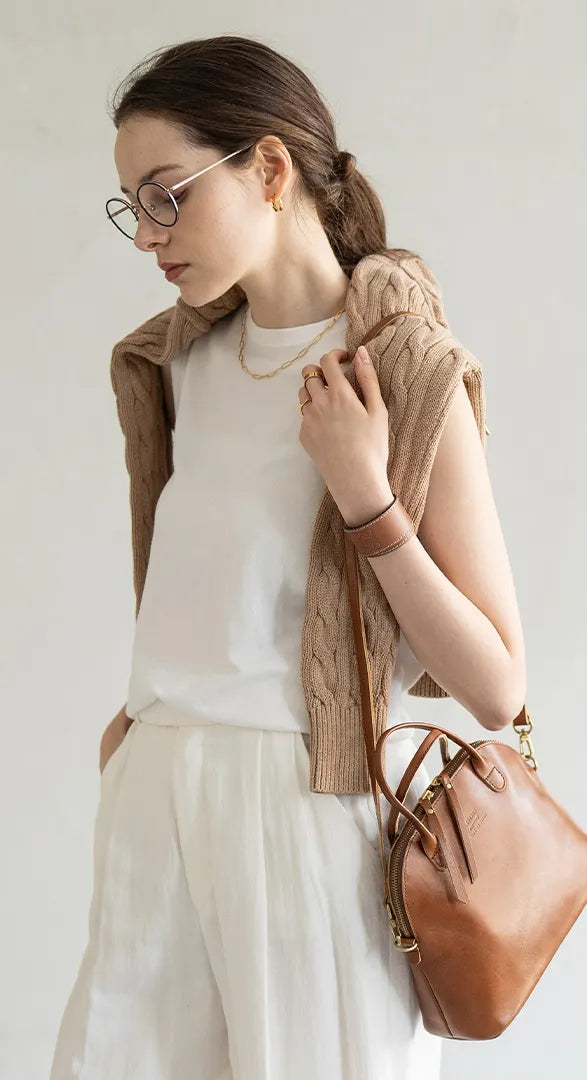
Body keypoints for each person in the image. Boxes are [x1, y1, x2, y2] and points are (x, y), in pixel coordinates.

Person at [50, 33, 527, 1080]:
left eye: (167, 194)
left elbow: (495, 685)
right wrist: (147, 728)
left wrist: (366, 498)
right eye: (133, 205)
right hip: (155, 801)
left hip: (306, 810)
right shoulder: (177, 363)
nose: (148, 235)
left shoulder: (404, 371)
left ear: (269, 170)